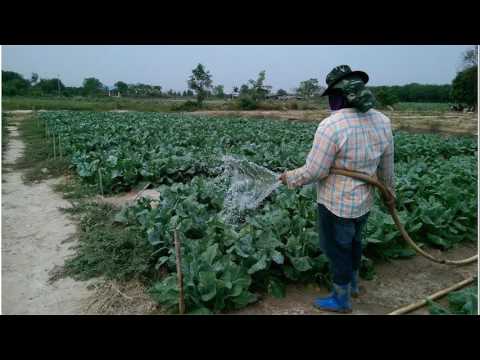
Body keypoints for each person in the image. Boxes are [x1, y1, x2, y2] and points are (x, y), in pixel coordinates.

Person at [278, 65, 395, 313]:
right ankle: (352, 284)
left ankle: (341, 299)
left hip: (336, 203)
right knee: (354, 243)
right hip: (364, 201)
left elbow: (315, 171)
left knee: (337, 249)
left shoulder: (332, 126)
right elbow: (386, 166)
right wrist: (389, 193)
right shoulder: (383, 121)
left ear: (339, 96)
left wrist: (289, 178)